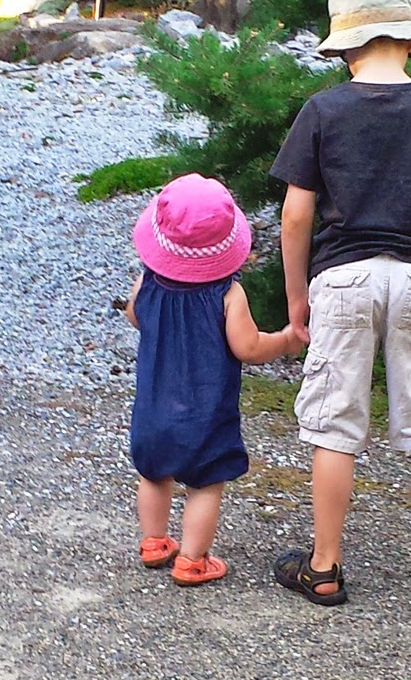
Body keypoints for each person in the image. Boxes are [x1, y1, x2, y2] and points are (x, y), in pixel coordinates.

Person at [269, 0, 411, 606]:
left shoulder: (323, 110)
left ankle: (325, 566)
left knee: (336, 423)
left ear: (345, 45)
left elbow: (296, 215)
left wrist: (298, 296)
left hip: (343, 278)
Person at [126, 172, 301, 586]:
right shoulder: (227, 294)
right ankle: (192, 561)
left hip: (153, 405)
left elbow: (135, 315)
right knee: (205, 483)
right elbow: (248, 347)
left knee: (152, 473)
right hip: (204, 411)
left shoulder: (148, 281)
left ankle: (153, 542)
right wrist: (284, 340)